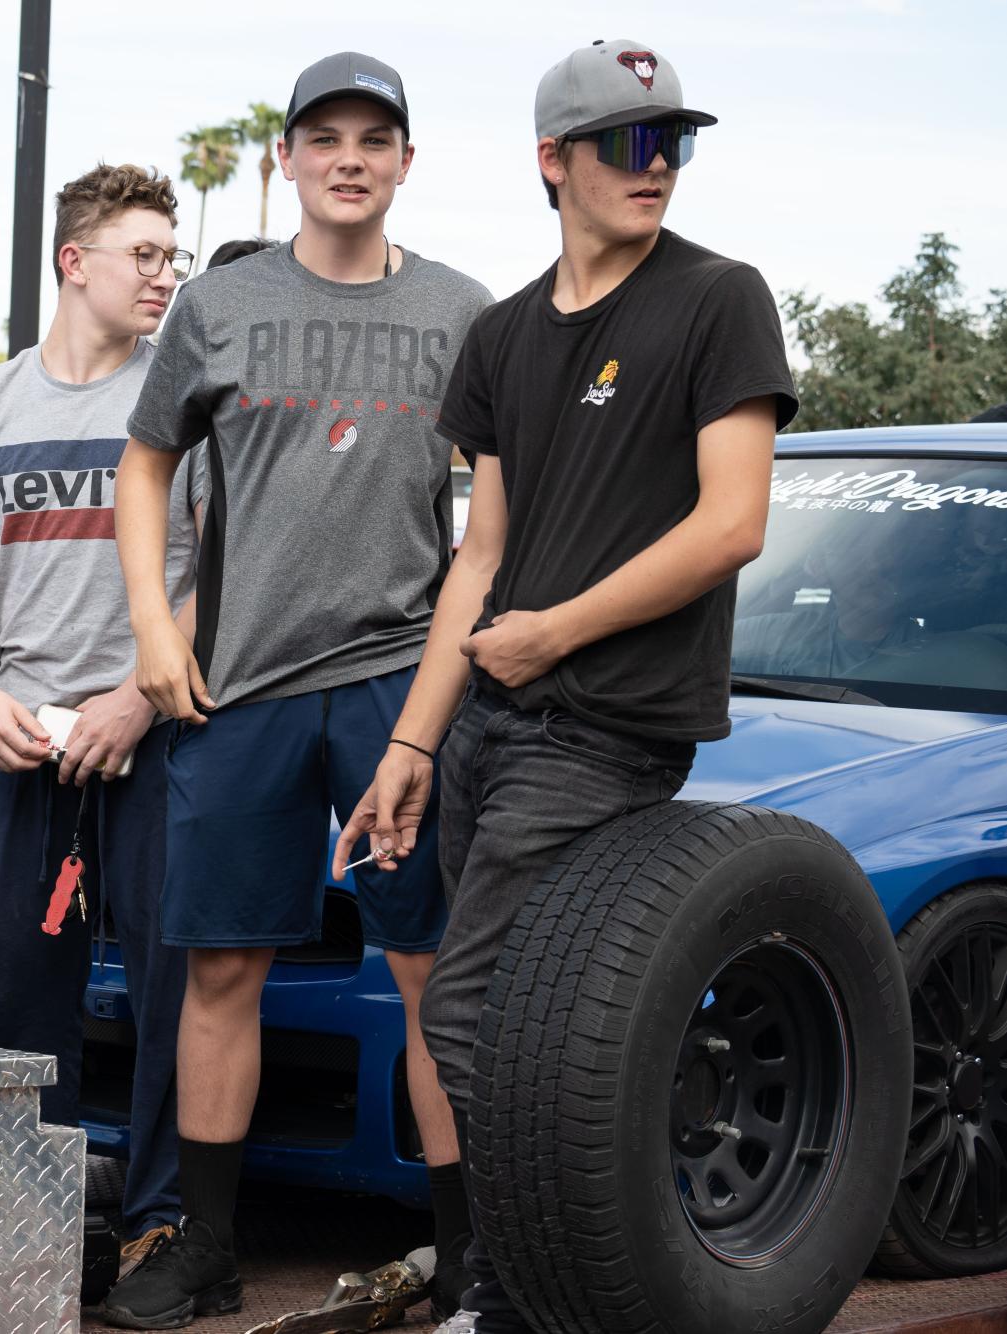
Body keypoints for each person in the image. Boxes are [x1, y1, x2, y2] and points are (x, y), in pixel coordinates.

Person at [336, 40, 796, 1333]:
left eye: (674, 144)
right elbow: (478, 553)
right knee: (497, 1022)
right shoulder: (500, 335)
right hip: (487, 720)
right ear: (554, 161)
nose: (657, 169)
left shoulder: (720, 300)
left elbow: (733, 524)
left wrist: (554, 635)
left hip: (604, 731)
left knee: (482, 1015)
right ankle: (512, 1288)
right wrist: (414, 742)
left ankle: (564, 1290)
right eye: (629, 145)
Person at [104, 52, 493, 1329]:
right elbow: (146, 464)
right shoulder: (218, 310)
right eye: (322, 137)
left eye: (372, 138)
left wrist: (437, 714)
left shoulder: (461, 314)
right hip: (243, 688)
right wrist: (157, 628)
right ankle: (204, 1243)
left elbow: (491, 529)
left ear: (403, 162)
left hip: (394, 684)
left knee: (431, 966)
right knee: (223, 967)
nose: (347, 157)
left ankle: (466, 1251)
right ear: (285, 159)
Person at [0, 162, 207, 1276]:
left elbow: (216, 569)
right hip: (30, 743)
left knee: (172, 988)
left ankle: (158, 1219)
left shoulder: (176, 402)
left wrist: (141, 692)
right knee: (27, 997)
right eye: (143, 253)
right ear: (72, 261)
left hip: (157, 732)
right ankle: (37, 1228)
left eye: (171, 257)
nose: (163, 275)